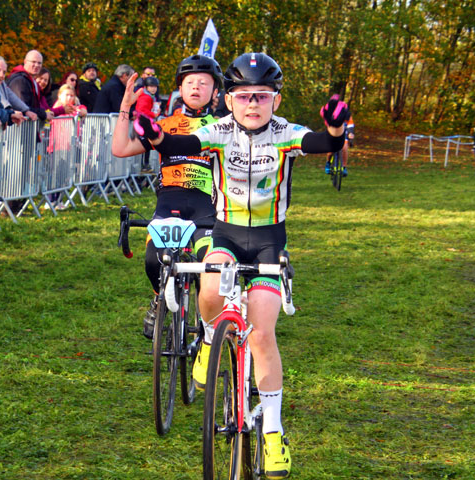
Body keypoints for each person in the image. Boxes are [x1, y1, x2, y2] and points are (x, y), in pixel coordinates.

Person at [129, 52, 348, 479]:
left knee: (263, 333)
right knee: (209, 286)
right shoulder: (219, 131)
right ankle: (210, 338)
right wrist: (155, 137)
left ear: (276, 101)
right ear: (229, 100)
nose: (252, 104)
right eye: (244, 96)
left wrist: (336, 128)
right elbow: (180, 146)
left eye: (262, 97)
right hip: (226, 234)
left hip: (268, 243)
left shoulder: (285, 134)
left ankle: (272, 433)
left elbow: (324, 143)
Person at [111, 54, 222, 340]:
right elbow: (121, 148)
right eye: (189, 82)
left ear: (215, 92)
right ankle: (160, 298)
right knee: (153, 260)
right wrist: (125, 108)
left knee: (207, 266)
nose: (196, 87)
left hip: (205, 205)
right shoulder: (164, 125)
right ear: (180, 89)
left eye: (203, 83)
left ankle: (208, 331)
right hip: (169, 202)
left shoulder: (223, 128)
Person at [6, 50, 53, 121]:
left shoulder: (32, 82)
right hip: (18, 127)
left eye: (39, 63)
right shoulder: (19, 81)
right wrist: (43, 114)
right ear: (25, 62)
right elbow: (22, 107)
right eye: (33, 62)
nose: (37, 65)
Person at [0, 56, 35, 123]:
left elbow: (0, 109)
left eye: (4, 72)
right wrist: (10, 114)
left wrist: (10, 116)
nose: (1, 75)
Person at [325, 107, 354, 176]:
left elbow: (350, 127)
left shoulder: (348, 117)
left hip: (343, 135)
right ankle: (328, 163)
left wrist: (350, 134)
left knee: (345, 148)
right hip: (334, 134)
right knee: (330, 150)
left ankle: (344, 167)